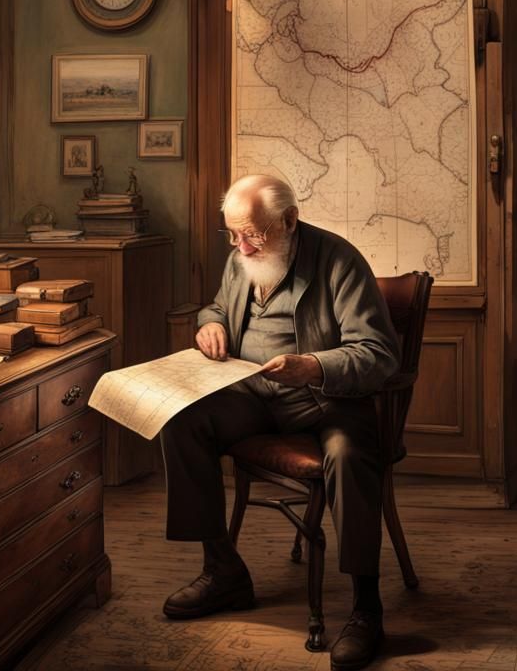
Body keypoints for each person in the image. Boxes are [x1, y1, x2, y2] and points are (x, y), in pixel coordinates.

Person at [159, 174, 400, 670]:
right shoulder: (240, 257)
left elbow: (379, 355)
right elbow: (219, 307)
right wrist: (211, 324)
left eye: (255, 234)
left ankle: (366, 606)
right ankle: (223, 569)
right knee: (180, 418)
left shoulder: (339, 260)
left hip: (327, 400)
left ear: (289, 220)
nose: (242, 246)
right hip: (255, 395)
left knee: (350, 454)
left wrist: (314, 365)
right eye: (233, 235)